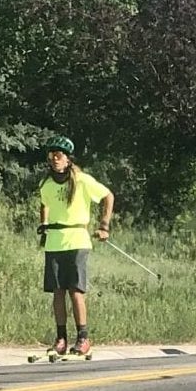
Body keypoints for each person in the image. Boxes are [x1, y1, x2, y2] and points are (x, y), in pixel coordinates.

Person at [37, 134, 113, 356]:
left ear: (67, 159)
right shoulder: (47, 184)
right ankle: (61, 338)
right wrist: (44, 224)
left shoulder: (81, 180)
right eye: (51, 156)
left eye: (58, 155)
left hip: (77, 239)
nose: (54, 159)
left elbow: (108, 196)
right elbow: (44, 203)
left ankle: (83, 337)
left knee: (75, 290)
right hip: (55, 242)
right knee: (57, 292)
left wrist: (104, 225)